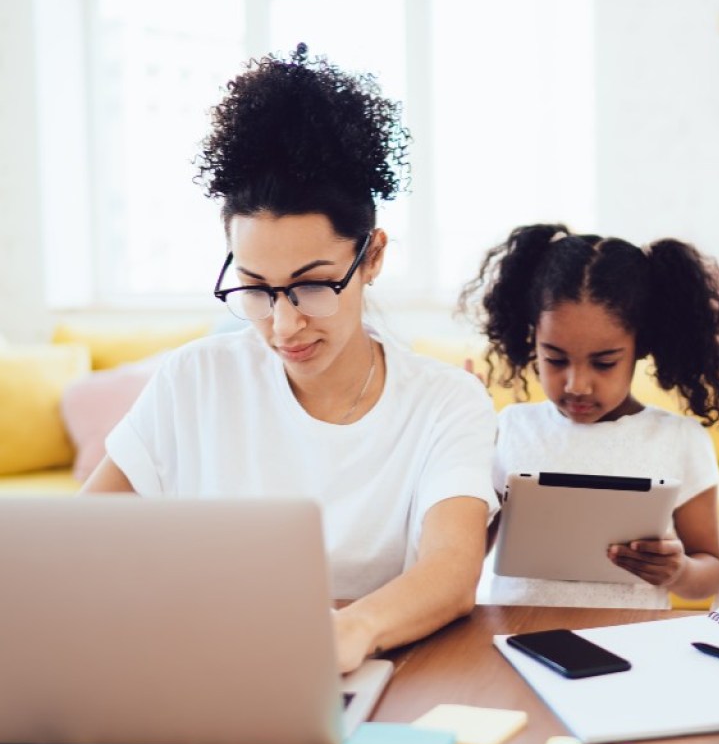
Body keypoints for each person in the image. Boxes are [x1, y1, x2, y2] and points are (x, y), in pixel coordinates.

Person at [83, 45, 497, 672]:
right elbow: (75, 545)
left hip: (364, 671)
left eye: (312, 285)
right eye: (255, 286)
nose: (283, 324)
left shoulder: (445, 403)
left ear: (373, 256)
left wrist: (348, 632)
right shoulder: (194, 379)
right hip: (196, 666)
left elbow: (452, 571)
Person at [459, 223, 719, 608]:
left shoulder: (679, 440)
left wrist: (679, 572)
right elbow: (464, 555)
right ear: (532, 341)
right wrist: (464, 435)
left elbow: (710, 572)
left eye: (604, 363)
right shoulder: (511, 428)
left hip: (630, 644)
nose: (577, 384)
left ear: (641, 346)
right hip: (516, 638)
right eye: (555, 359)